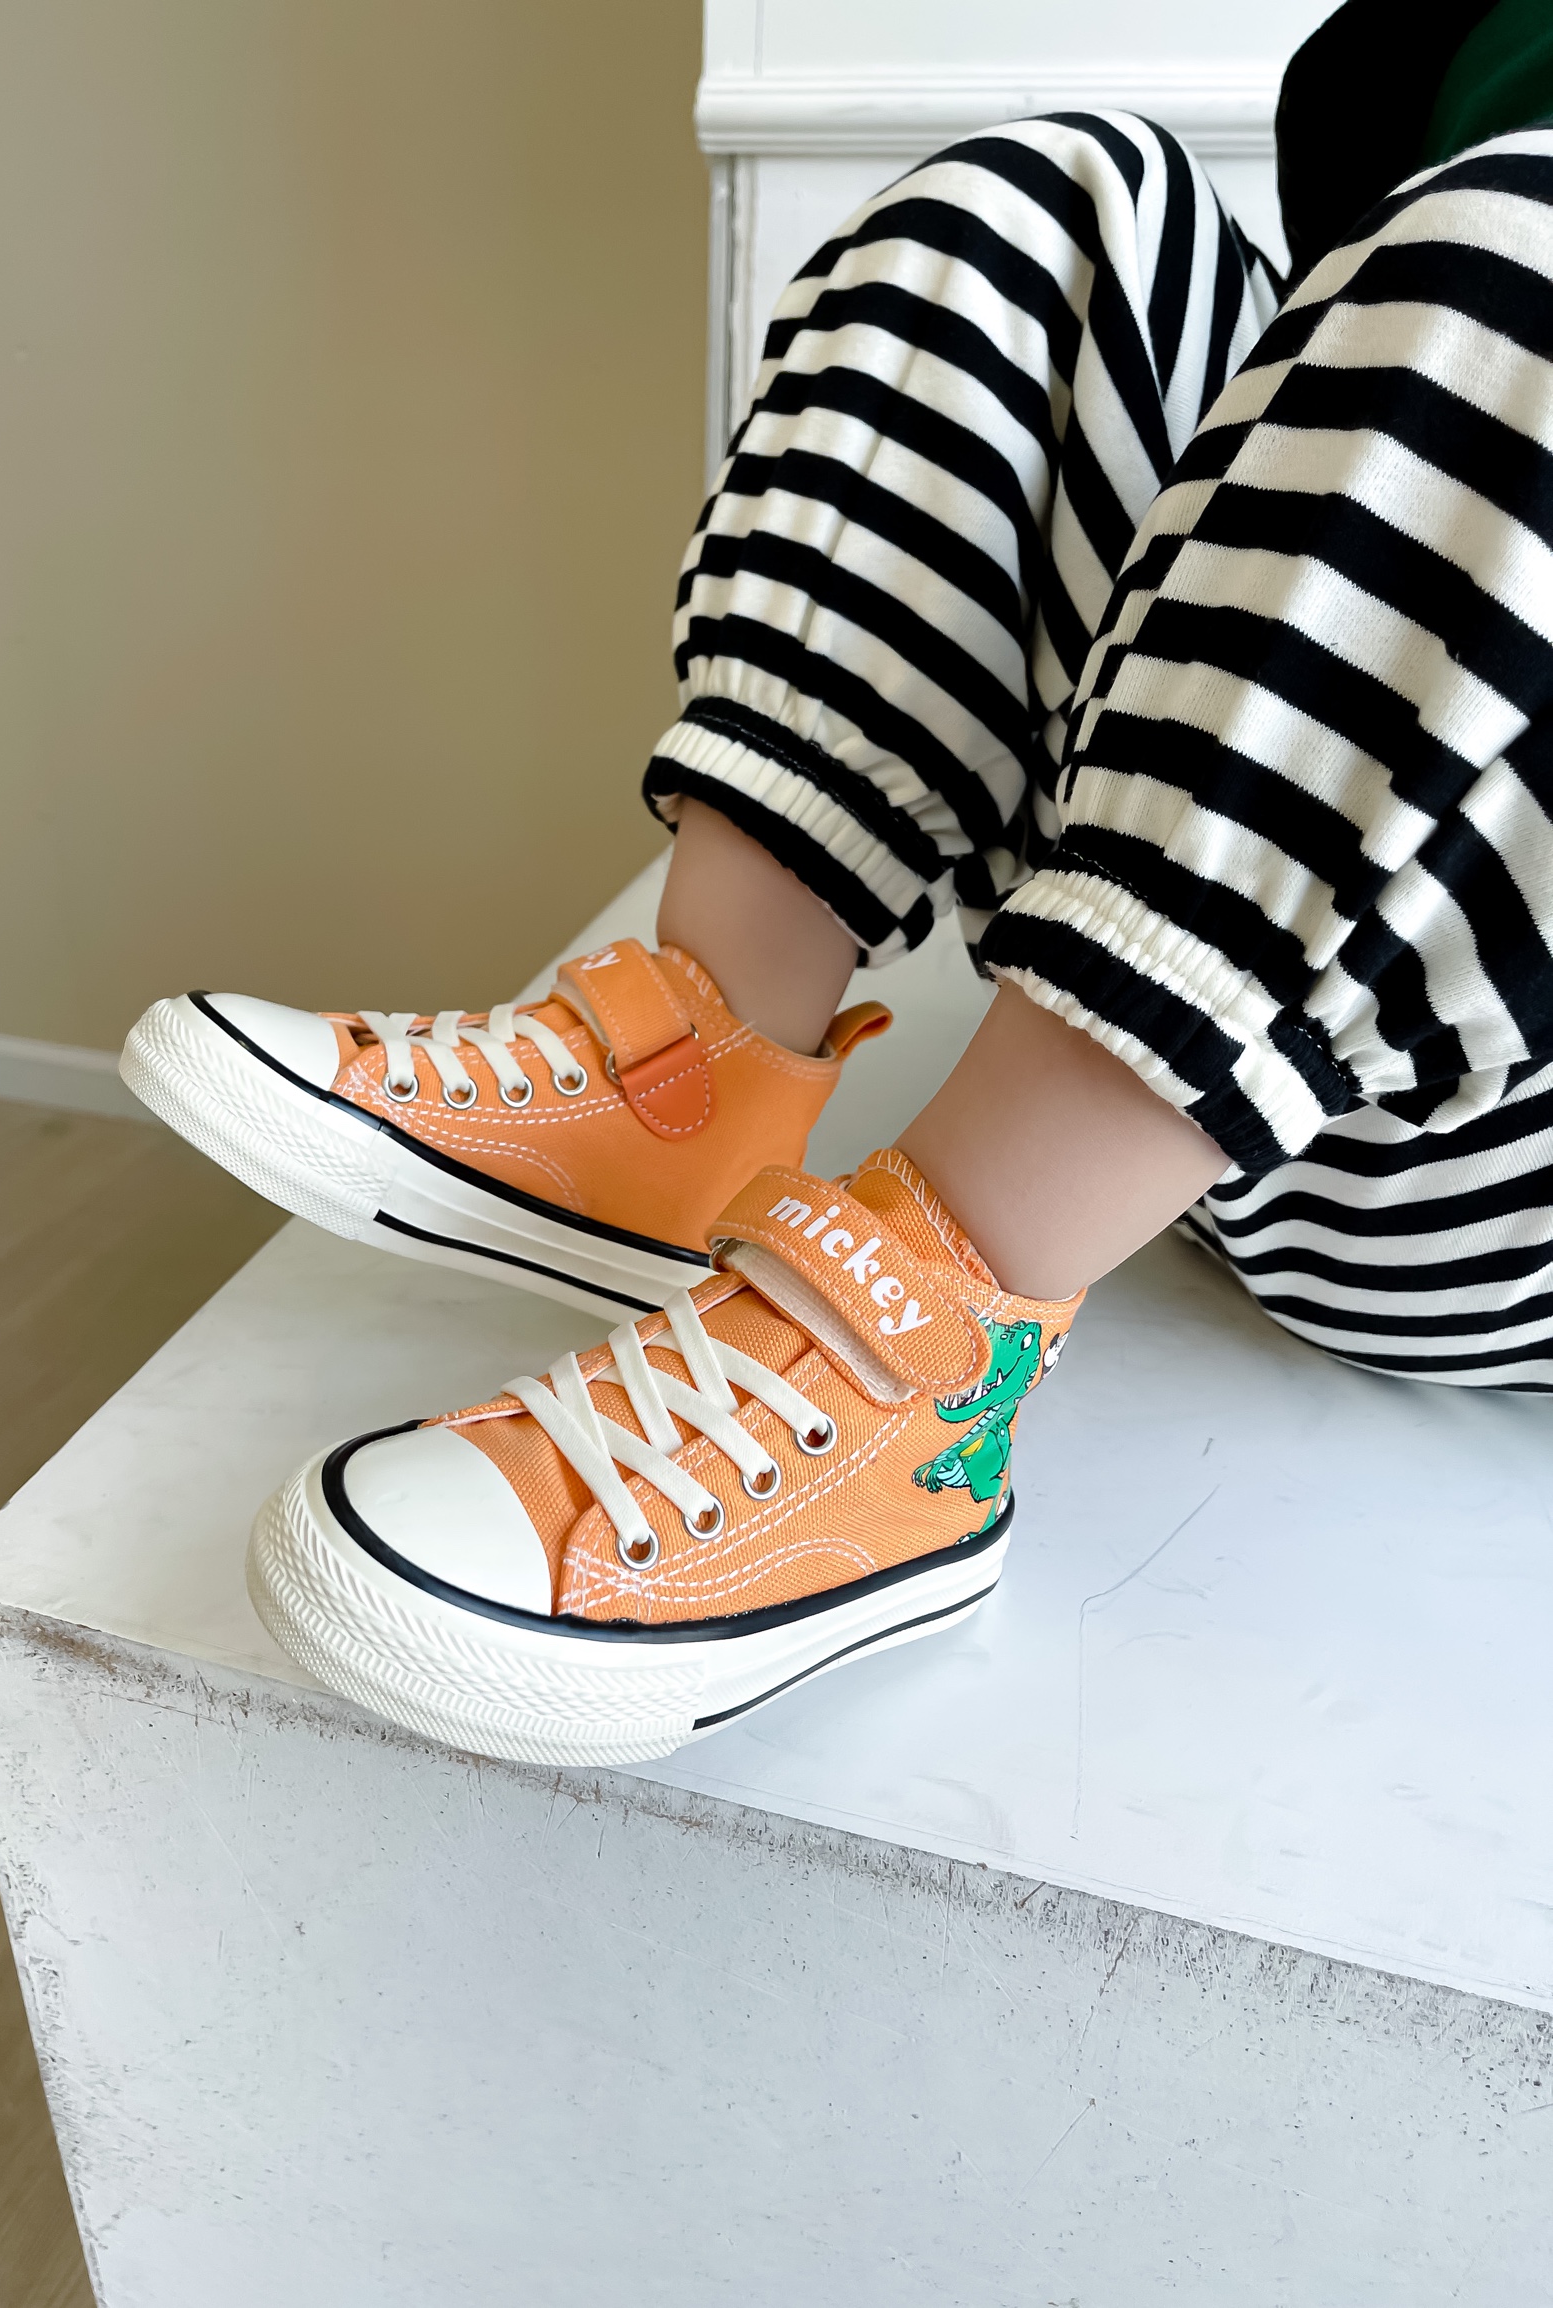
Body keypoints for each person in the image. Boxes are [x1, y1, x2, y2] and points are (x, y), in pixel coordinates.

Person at [123, 0, 1553, 1765]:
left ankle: (918, 1368)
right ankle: (696, 1072)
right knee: (1056, 205)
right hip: (1246, 1018)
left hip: (1487, 1167)